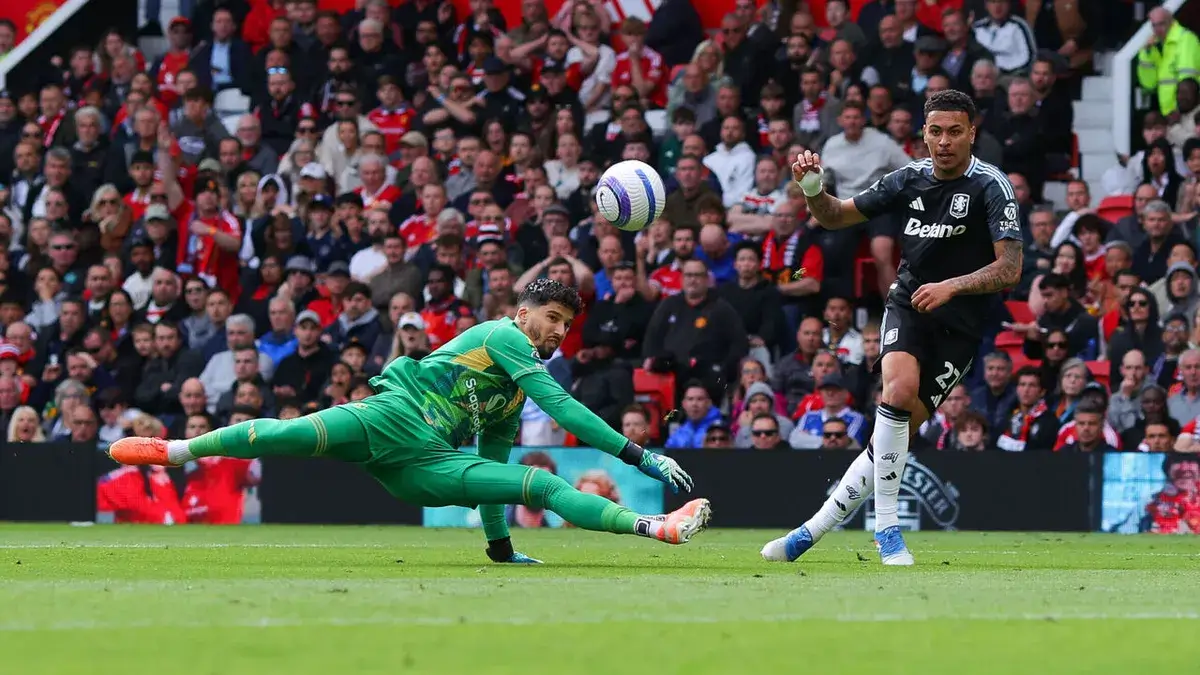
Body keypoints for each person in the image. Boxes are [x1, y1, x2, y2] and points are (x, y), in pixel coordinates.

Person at [108, 279, 710, 561]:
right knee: (282, 434)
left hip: (424, 466)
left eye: (565, 324)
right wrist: (639, 454)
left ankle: (654, 529)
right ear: (522, 312)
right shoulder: (503, 335)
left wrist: (499, 547)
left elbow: (491, 468)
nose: (556, 331)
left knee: (543, 485)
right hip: (389, 416)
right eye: (549, 316)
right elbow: (565, 406)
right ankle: (178, 451)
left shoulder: (509, 399)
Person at [763, 90, 1023, 566]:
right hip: (908, 306)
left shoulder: (991, 186)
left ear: (972, 133)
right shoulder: (907, 178)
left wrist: (953, 286)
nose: (944, 142)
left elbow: (1010, 268)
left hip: (959, 327)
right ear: (923, 133)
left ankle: (808, 532)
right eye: (935, 131)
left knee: (892, 436)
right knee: (897, 394)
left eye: (954, 131)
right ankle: (887, 531)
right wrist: (813, 190)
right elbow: (836, 216)